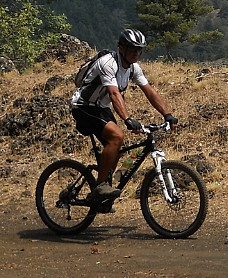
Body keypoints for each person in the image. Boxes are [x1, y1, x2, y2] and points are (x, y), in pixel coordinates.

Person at [70, 29, 178, 201]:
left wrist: (167, 114)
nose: (136, 53)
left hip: (101, 108)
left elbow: (149, 91)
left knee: (117, 148)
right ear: (122, 48)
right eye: (132, 49)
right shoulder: (108, 63)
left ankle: (102, 192)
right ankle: (100, 187)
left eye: (139, 50)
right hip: (84, 106)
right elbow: (114, 94)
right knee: (117, 137)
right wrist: (127, 119)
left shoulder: (133, 68)